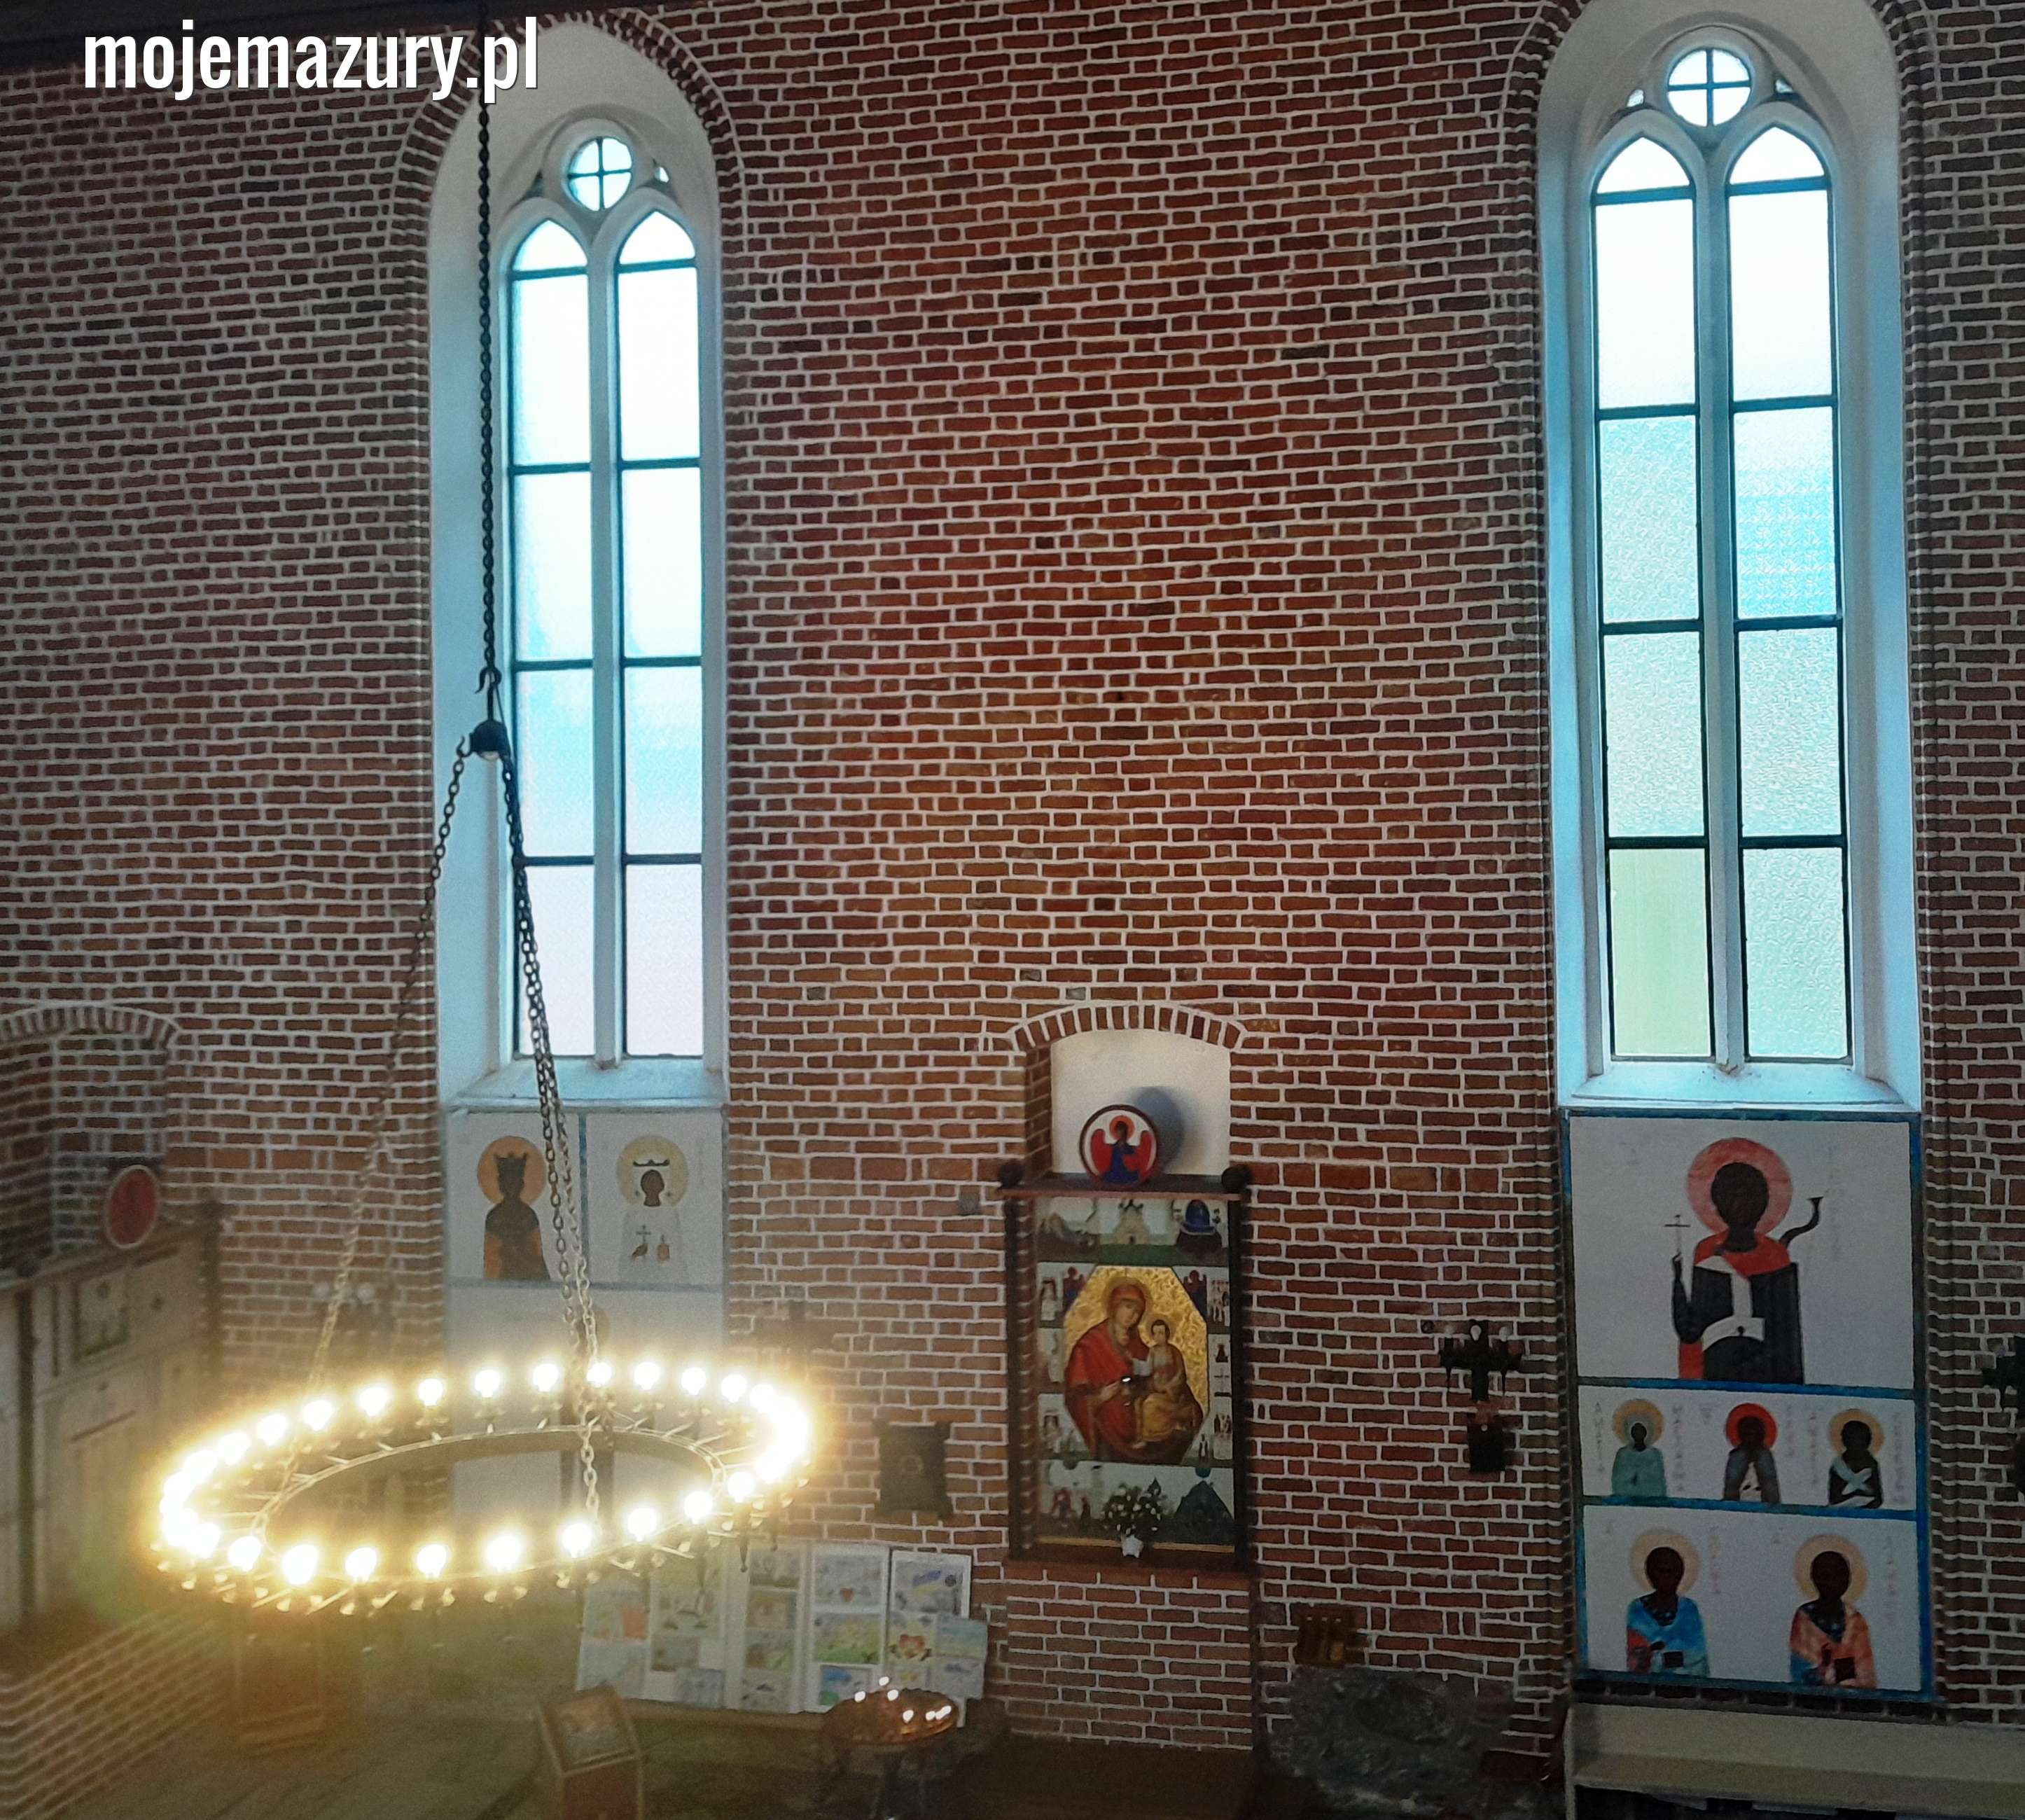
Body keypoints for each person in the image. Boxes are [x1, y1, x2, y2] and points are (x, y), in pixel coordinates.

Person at [1673, 1160, 1804, 1382]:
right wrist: (1677, 1284)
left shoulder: (1775, 1255)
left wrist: (1790, 1389)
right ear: (1719, 1204)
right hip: (1718, 1362)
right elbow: (1693, 1329)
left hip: (1765, 1368)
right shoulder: (1707, 1253)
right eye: (1732, 1197)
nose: (1741, 1206)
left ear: (1763, 1203)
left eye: (1750, 1197)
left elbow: (1786, 1333)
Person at [1064, 1281, 1153, 1458]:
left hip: (1134, 1409)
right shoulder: (1089, 1345)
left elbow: (1151, 1376)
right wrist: (1099, 1398)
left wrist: (1138, 1388)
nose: (1132, 1315)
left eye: (1137, 1312)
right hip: (1106, 1417)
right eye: (1128, 1307)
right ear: (1114, 1306)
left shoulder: (1138, 1345)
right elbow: (1073, 1397)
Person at [1789, 1550, 1876, 1688]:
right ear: (1815, 1579)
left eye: (1840, 1575)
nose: (1833, 1582)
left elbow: (1865, 1671)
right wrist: (1823, 1673)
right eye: (1826, 1575)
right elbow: (1800, 1668)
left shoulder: (1855, 1621)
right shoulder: (1804, 1618)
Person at [1625, 1547, 1709, 1678]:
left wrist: (1660, 1659)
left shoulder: (1689, 1609)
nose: (1668, 1577)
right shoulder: (1637, 1610)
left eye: (1672, 1572)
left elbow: (1697, 1655)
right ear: (1650, 1574)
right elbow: (1636, 1660)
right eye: (1662, 1571)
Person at [1132, 1317, 1204, 1462]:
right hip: (1156, 1388)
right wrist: (1137, 1366)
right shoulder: (1152, 1351)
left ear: (1167, 1334)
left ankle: (1164, 1429)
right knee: (1139, 1403)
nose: (1159, 1336)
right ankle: (1143, 1437)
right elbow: (1148, 1370)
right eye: (1155, 1333)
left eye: (1161, 1333)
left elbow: (1181, 1374)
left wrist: (1169, 1387)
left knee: (1150, 1405)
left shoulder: (1174, 1352)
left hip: (1174, 1392)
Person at [483, 1148, 548, 1281]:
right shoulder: (494, 1218)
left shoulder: (529, 1216)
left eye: (514, 1182)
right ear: (500, 1185)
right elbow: (491, 1261)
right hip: (503, 1278)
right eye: (507, 1182)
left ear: (521, 1184)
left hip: (529, 1276)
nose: (511, 1186)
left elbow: (536, 1253)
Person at [1721, 1413, 1781, 1504]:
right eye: (1747, 1433)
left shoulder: (1765, 1456)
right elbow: (1731, 1486)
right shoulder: (1737, 1456)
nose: (1751, 1437)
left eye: (1755, 1433)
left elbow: (1770, 1486)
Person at [1827, 1419, 1884, 1508]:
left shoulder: (1871, 1464)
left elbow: (1877, 1498)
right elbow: (1834, 1499)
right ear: (1845, 1441)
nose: (1857, 1443)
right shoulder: (1838, 1465)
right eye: (1853, 1439)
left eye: (1861, 1439)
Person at [1610, 1421, 1668, 1500]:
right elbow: (1618, 1482)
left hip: (1651, 1498)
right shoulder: (1623, 1455)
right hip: (1627, 1498)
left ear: (1645, 1433)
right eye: (1635, 1431)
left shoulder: (1655, 1455)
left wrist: (1643, 1477)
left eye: (1641, 1430)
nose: (1638, 1433)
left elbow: (1659, 1482)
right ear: (1631, 1433)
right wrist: (1631, 1476)